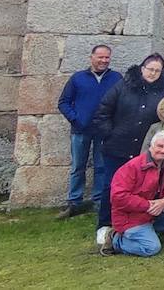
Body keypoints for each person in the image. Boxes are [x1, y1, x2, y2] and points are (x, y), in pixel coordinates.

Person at [89, 54, 164, 247]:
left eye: (157, 71)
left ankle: (138, 224)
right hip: (118, 146)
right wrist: (109, 134)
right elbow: (103, 111)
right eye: (150, 69)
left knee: (144, 188)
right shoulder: (123, 86)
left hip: (144, 149)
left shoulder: (162, 92)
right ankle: (105, 224)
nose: (153, 73)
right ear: (142, 68)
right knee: (111, 186)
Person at [101, 131, 164, 257]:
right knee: (152, 248)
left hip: (155, 213)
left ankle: (150, 232)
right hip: (131, 217)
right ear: (151, 146)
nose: (163, 150)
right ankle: (116, 240)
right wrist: (147, 205)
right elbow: (118, 197)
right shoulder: (132, 167)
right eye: (160, 146)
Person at [56, 44, 121, 219]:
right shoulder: (78, 78)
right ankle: (74, 201)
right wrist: (76, 118)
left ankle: (98, 201)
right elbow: (63, 102)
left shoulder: (116, 78)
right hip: (80, 130)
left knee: (101, 166)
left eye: (107, 57)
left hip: (104, 130)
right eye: (100, 57)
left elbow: (121, 102)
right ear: (91, 57)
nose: (104, 61)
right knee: (78, 166)